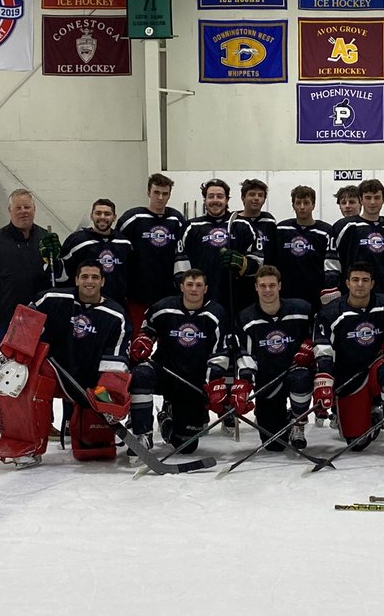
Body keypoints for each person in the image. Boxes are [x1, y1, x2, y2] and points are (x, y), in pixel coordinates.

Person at [0, 260, 131, 465]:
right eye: (85, 277)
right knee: (18, 374)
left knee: (93, 451)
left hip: (89, 381)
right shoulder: (51, 298)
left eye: (95, 277)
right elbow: (25, 323)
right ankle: (28, 445)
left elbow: (115, 362)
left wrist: (108, 393)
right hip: (55, 370)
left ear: (103, 281)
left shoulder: (116, 316)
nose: (89, 282)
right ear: (77, 280)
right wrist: (13, 354)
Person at [128, 268, 230, 454]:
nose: (194, 289)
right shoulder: (163, 308)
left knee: (186, 446)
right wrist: (144, 339)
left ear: (205, 289)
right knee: (141, 373)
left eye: (198, 285)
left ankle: (167, 420)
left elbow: (219, 353)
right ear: (182, 286)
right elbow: (147, 329)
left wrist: (213, 383)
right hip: (165, 372)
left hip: (193, 382)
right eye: (189, 284)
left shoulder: (216, 314)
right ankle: (142, 434)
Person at [312, 261, 384, 451]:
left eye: (364, 280)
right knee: (356, 441)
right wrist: (325, 377)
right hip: (349, 377)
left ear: (372, 283)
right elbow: (323, 347)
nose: (360, 284)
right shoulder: (330, 313)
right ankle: (371, 416)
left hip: (378, 368)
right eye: (355, 280)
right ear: (347, 283)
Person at [231, 265, 314, 451]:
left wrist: (309, 346)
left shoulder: (301, 310)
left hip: (295, 372)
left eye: (271, 285)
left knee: (301, 377)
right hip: (267, 380)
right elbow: (245, 354)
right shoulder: (246, 318)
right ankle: (281, 417)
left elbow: (319, 331)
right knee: (275, 445)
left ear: (279, 286)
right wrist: (245, 382)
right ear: (256, 287)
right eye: (263, 285)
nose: (267, 290)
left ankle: (297, 422)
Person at [0, 187, 62, 349]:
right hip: (5, 322)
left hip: (41, 322)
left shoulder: (46, 240)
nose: (23, 211)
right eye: (18, 208)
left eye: (27, 207)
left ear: (34, 209)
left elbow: (59, 277)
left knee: (39, 371)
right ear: (10, 210)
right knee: (6, 371)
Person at [174, 179, 260, 311]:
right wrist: (190, 293)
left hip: (237, 303)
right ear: (205, 200)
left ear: (227, 200)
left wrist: (243, 264)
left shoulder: (243, 226)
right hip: (201, 303)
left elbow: (259, 265)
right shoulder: (191, 227)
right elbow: (181, 267)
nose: (215, 200)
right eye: (211, 196)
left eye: (220, 196)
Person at [118, 173, 187, 336]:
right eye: (156, 192)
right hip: (137, 294)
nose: (160, 198)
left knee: (165, 337)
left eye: (165, 193)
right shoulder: (132, 218)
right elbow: (117, 248)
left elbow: (185, 252)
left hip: (168, 294)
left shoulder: (176, 219)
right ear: (149, 192)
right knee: (137, 337)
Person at [325, 177, 384, 297]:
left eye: (377, 198)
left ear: (383, 200)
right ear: (361, 200)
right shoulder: (344, 227)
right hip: (351, 297)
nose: (372, 202)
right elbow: (332, 261)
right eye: (368, 197)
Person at [59, 198, 132, 308]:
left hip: (116, 305)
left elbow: (130, 274)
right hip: (83, 307)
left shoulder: (124, 243)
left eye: (107, 214)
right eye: (98, 213)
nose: (102, 217)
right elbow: (62, 275)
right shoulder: (77, 241)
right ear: (91, 215)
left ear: (114, 217)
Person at [274, 185, 332, 306]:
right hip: (286, 294)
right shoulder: (281, 229)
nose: (302, 207)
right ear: (293, 205)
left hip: (314, 294)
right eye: (298, 203)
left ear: (313, 205)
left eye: (306, 203)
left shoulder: (325, 231)